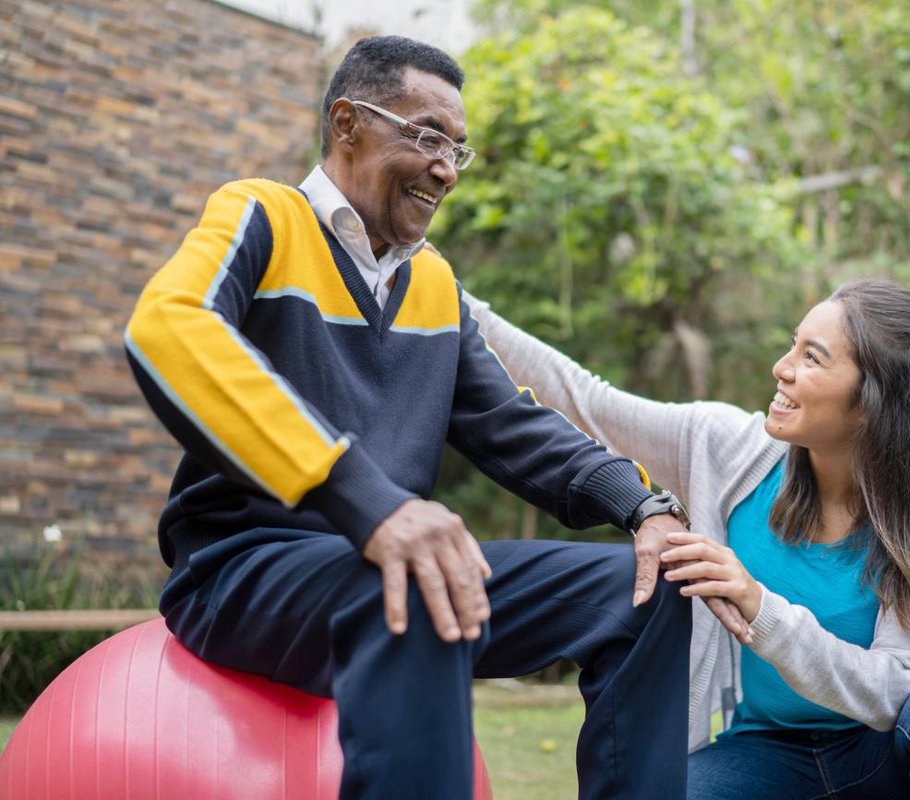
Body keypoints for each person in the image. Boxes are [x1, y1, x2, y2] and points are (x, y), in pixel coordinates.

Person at [123, 35, 703, 800]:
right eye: (427, 135)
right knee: (419, 573)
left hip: (391, 571)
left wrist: (642, 508)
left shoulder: (434, 285)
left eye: (458, 150)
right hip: (242, 570)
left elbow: (513, 425)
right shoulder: (261, 214)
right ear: (346, 123)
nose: (444, 168)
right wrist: (370, 504)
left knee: (650, 589)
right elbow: (168, 328)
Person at [464, 278, 910, 799]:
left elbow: (900, 690)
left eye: (811, 358)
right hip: (765, 755)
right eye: (793, 344)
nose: (781, 367)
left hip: (885, 757)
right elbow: (586, 401)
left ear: (871, 404)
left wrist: (762, 609)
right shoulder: (728, 448)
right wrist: (454, 302)